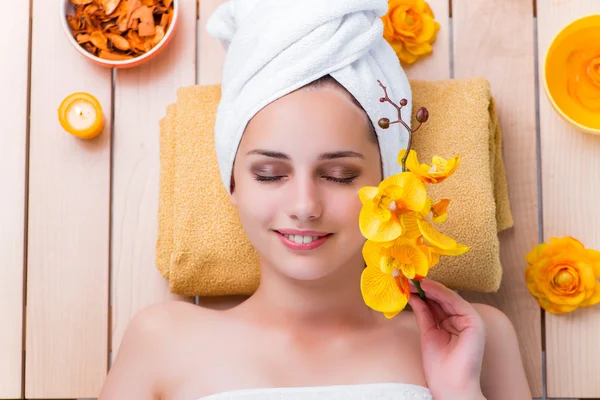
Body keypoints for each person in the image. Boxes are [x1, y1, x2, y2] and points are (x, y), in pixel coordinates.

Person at [99, 1, 532, 399]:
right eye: (270, 175)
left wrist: (458, 391)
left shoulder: (473, 340)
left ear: (389, 186)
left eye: (338, 176)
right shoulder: (161, 341)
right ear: (232, 182)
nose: (305, 205)